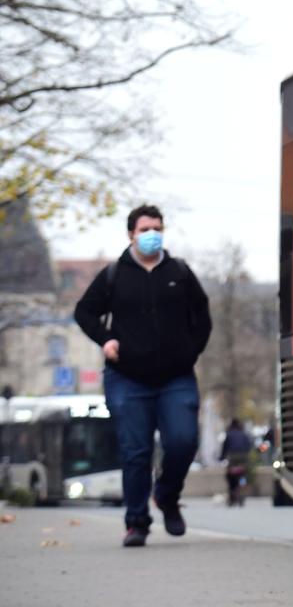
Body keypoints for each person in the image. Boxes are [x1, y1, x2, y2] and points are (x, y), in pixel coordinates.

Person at [74, 204, 211, 548]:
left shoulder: (179, 272)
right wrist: (105, 340)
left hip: (175, 377)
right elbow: (84, 312)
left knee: (182, 441)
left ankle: (166, 495)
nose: (153, 234)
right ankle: (136, 522)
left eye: (158, 228)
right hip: (127, 378)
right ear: (131, 234)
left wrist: (190, 350)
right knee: (135, 451)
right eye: (145, 229)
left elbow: (202, 314)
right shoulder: (114, 275)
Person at [219, 419, 252, 507]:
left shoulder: (229, 434)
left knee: (231, 477)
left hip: (232, 456)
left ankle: (232, 497)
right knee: (242, 475)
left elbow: (225, 448)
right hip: (243, 457)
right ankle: (242, 493)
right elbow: (249, 446)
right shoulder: (244, 434)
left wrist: (222, 458)